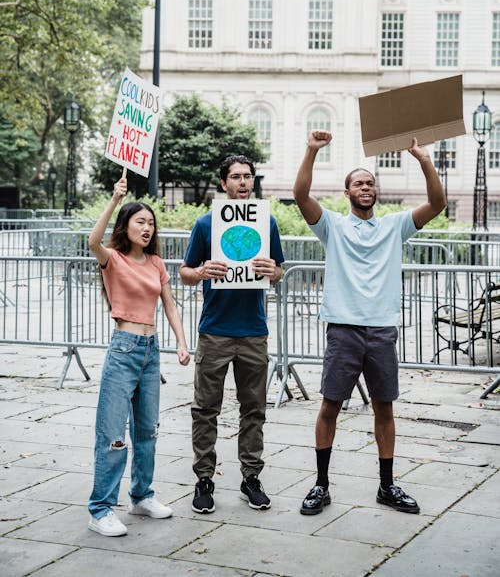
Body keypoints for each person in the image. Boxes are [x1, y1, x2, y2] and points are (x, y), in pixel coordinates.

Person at [294, 131, 446, 516]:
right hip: (343, 329)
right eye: (359, 183)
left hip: (381, 330)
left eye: (370, 183)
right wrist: (312, 151)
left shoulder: (395, 226)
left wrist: (423, 160)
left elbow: (438, 203)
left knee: (384, 408)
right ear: (347, 193)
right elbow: (300, 196)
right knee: (330, 406)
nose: (366, 187)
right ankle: (321, 485)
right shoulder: (332, 226)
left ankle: (386, 486)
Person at [180, 155, 284, 514]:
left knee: (253, 409)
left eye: (248, 177)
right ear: (223, 183)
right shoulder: (206, 224)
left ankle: (250, 478)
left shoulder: (266, 222)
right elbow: (184, 272)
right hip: (215, 331)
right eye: (236, 177)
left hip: (253, 331)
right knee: (205, 409)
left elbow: (279, 270)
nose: (243, 182)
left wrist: (275, 271)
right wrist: (201, 271)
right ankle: (204, 479)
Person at [87, 176, 190, 537]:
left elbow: (171, 306)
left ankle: (141, 495)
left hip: (151, 351)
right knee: (114, 434)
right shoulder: (112, 259)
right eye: (140, 222)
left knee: (148, 430)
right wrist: (115, 200)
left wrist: (181, 341)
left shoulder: (156, 263)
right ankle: (100, 509)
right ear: (126, 227)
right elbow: (92, 240)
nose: (147, 228)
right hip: (123, 350)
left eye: (151, 223)